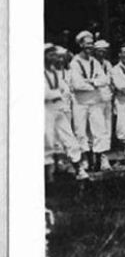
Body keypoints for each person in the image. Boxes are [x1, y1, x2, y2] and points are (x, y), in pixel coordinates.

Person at [69, 30, 111, 174]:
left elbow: (105, 80)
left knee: (99, 129)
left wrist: (91, 81)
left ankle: (99, 160)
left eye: (91, 44)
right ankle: (86, 160)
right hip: (80, 102)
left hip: (95, 101)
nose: (90, 47)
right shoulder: (75, 62)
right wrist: (95, 84)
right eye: (87, 44)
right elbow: (77, 85)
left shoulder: (95, 61)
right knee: (80, 131)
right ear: (81, 45)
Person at [44, 43, 82, 182]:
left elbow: (65, 90)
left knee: (70, 139)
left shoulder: (58, 73)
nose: (58, 59)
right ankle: (50, 176)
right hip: (45, 111)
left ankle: (79, 170)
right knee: (49, 143)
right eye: (53, 56)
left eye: (60, 57)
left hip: (60, 109)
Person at [92, 40, 114, 170]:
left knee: (107, 130)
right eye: (99, 50)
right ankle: (97, 159)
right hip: (95, 100)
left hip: (107, 99)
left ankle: (104, 159)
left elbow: (111, 81)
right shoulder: (91, 64)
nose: (102, 53)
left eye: (104, 50)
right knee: (97, 130)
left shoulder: (108, 64)